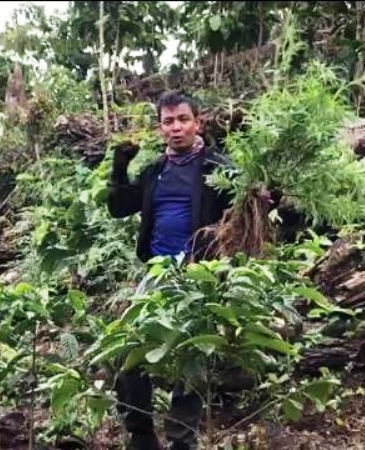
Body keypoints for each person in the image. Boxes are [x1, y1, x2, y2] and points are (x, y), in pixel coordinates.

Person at [105, 90, 235, 450]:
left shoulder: (216, 168)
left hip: (199, 272)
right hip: (157, 272)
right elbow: (118, 208)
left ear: (198, 122)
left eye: (182, 119)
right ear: (160, 127)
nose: (176, 128)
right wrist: (120, 166)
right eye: (168, 121)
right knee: (127, 347)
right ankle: (142, 436)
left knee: (191, 355)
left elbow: (247, 199)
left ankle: (182, 441)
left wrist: (269, 197)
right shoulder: (153, 172)